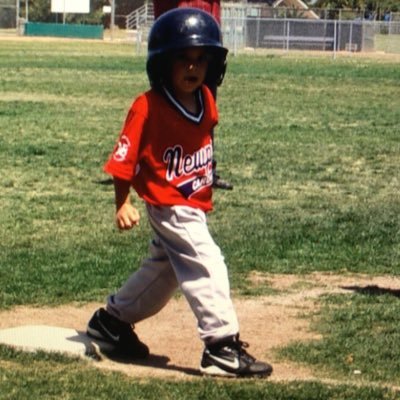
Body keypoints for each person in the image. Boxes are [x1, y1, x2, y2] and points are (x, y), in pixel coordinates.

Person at [86, 8, 272, 378]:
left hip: (191, 203)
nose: (193, 67)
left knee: (163, 274)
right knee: (207, 262)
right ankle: (221, 345)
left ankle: (111, 321)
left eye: (201, 59)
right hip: (168, 204)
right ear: (162, 64)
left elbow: (200, 142)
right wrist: (122, 202)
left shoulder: (206, 100)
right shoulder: (147, 106)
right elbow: (123, 160)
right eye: (183, 59)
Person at [152, 0, 233, 191]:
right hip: (177, 37)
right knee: (169, 109)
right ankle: (166, 165)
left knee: (206, 108)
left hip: (208, 38)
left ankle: (205, 168)